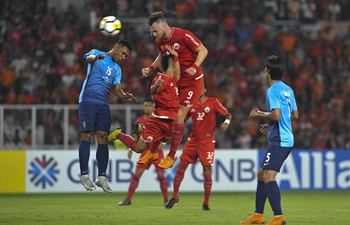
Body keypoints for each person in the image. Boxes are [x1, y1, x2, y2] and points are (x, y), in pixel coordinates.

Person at [141, 11, 208, 169]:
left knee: (178, 116)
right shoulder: (159, 41)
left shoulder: (183, 35)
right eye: (152, 32)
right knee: (168, 118)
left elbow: (203, 50)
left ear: (164, 26)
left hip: (193, 82)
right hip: (176, 81)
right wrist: (151, 68)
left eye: (155, 31)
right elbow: (161, 56)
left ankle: (171, 157)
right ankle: (154, 151)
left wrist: (194, 66)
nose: (154, 35)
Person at [240, 55, 298, 225]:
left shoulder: (272, 90)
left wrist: (259, 114)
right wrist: (271, 124)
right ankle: (258, 215)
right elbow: (294, 115)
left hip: (279, 140)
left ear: (267, 71)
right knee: (261, 174)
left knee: (269, 175)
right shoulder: (288, 89)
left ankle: (279, 217)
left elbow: (276, 114)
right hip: (283, 137)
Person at [79, 40, 137, 193]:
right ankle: (84, 175)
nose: (124, 56)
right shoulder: (97, 53)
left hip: (103, 103)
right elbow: (87, 59)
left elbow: (117, 90)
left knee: (103, 136)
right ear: (115, 47)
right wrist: (95, 58)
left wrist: (126, 96)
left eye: (126, 55)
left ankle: (101, 177)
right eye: (123, 53)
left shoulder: (117, 69)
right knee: (87, 135)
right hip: (88, 99)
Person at [165, 84, 232, 210]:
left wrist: (226, 122)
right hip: (192, 141)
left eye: (201, 88)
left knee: (206, 172)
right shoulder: (191, 104)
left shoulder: (213, 103)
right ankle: (174, 196)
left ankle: (206, 203)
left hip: (207, 142)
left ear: (205, 90)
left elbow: (228, 115)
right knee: (181, 167)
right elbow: (183, 119)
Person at [108, 45, 180, 163]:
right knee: (138, 148)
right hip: (159, 121)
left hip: (170, 119)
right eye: (175, 64)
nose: (177, 66)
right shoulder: (160, 78)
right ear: (171, 66)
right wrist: (157, 86)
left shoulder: (173, 79)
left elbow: (179, 73)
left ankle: (150, 149)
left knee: (165, 138)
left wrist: (176, 57)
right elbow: (153, 92)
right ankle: (118, 134)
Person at [118, 98, 169, 206]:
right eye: (145, 105)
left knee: (161, 177)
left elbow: (166, 132)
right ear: (143, 107)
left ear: (153, 107)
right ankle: (128, 199)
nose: (147, 107)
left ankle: (166, 200)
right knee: (136, 176)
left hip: (156, 152)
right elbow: (135, 136)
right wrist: (130, 149)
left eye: (150, 105)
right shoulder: (139, 120)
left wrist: (162, 144)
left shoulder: (158, 119)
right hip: (144, 151)